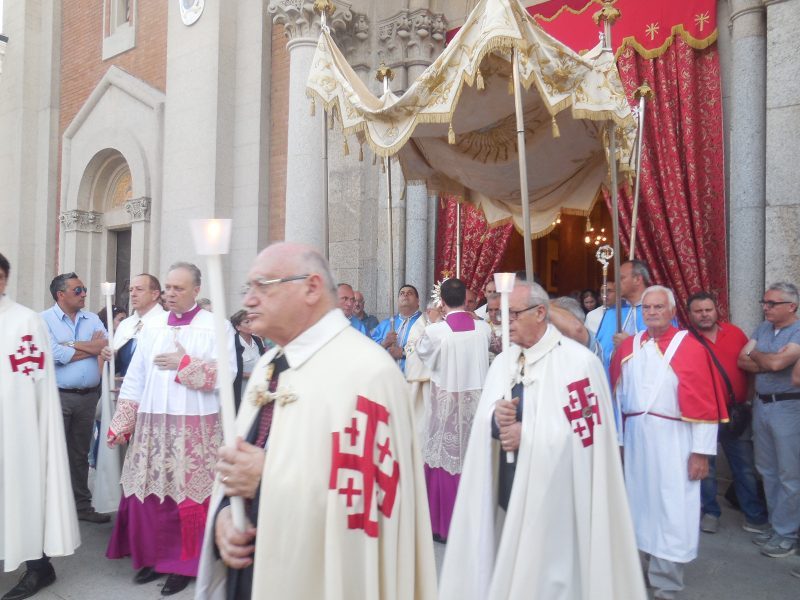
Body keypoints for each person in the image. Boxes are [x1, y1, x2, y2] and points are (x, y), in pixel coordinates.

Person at [195, 242, 436, 600]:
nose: (249, 300)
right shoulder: (269, 364)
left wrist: (268, 475)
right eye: (249, 288)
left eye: (263, 286)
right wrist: (226, 517)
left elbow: (368, 507)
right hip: (252, 568)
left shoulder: (369, 375)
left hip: (324, 578)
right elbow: (244, 461)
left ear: (310, 287)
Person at [439, 279, 645, 600]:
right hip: (508, 491)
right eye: (500, 316)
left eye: (513, 315)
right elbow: (486, 425)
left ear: (540, 313)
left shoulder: (579, 365)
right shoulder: (505, 361)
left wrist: (529, 433)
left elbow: (587, 440)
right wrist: (497, 420)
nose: (504, 323)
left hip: (554, 501)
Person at [106, 262, 236, 596]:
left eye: (179, 288)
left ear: (196, 290)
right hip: (152, 421)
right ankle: (153, 557)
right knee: (151, 492)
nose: (171, 293)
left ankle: (183, 563)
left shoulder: (215, 326)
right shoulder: (153, 326)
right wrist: (122, 420)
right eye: (167, 287)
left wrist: (185, 365)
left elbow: (228, 374)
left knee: (188, 495)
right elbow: (136, 376)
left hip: (195, 423)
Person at [611, 286, 726, 600]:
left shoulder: (690, 348)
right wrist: (618, 443)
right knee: (637, 503)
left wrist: (701, 452)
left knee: (671, 507)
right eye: (647, 308)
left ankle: (666, 582)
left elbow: (705, 403)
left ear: (673, 311)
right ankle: (636, 571)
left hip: (676, 440)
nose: (651, 312)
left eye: (658, 307)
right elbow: (617, 398)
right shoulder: (628, 347)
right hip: (635, 439)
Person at [0, 254, 81, 600]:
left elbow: (29, 378)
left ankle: (38, 566)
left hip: (17, 427)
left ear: (3, 279)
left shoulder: (25, 321)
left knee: (24, 491)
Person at [415, 278, 492, 541]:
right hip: (475, 403)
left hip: (446, 404)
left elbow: (423, 353)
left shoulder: (437, 331)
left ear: (443, 301)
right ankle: (474, 527)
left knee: (443, 461)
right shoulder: (484, 330)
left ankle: (442, 526)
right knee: (471, 460)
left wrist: (435, 320)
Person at [686, 292, 768, 535]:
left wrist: (749, 401)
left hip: (735, 413)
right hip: (703, 416)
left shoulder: (735, 333)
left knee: (744, 466)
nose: (704, 315)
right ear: (690, 314)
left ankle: (753, 514)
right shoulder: (685, 340)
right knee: (706, 469)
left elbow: (749, 369)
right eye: (698, 311)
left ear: (716, 310)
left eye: (708, 309)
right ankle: (710, 512)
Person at [40, 272, 110, 524]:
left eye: (83, 289)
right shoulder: (43, 320)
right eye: (78, 290)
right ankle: (49, 508)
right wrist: (88, 347)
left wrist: (70, 344)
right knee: (53, 452)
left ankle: (81, 505)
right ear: (61, 294)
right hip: (58, 396)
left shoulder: (91, 318)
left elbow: (106, 345)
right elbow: (54, 354)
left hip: (88, 398)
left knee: (80, 453)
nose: (84, 294)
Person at [738, 281, 800, 558]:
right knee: (767, 469)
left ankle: (788, 533)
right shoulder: (763, 328)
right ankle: (777, 526)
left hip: (788, 408)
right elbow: (742, 360)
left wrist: (758, 357)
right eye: (764, 302)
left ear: (792, 306)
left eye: (772, 303)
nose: (766, 307)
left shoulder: (798, 331)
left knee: (789, 473)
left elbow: (774, 364)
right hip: (762, 406)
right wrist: (766, 359)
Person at [596, 260, 651, 373]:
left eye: (621, 278)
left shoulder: (657, 311)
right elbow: (598, 350)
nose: (616, 284)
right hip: (613, 384)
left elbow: (664, 350)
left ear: (637, 279)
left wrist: (629, 344)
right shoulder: (611, 314)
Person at [113, 274, 165, 378]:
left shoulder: (166, 323)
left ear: (155, 294)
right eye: (131, 290)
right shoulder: (125, 324)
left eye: (139, 289)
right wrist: (111, 356)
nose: (133, 294)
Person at [371, 284, 423, 372]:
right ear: (398, 301)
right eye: (402, 293)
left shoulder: (424, 323)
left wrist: (403, 353)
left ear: (418, 301)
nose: (405, 295)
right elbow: (370, 349)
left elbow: (428, 349)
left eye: (410, 293)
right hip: (388, 377)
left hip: (414, 379)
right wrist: (384, 343)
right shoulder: (386, 324)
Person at [231, 309, 266, 411]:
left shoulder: (258, 340)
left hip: (259, 388)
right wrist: (249, 375)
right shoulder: (232, 343)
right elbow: (229, 371)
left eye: (252, 321)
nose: (251, 324)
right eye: (247, 322)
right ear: (238, 327)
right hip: (241, 390)